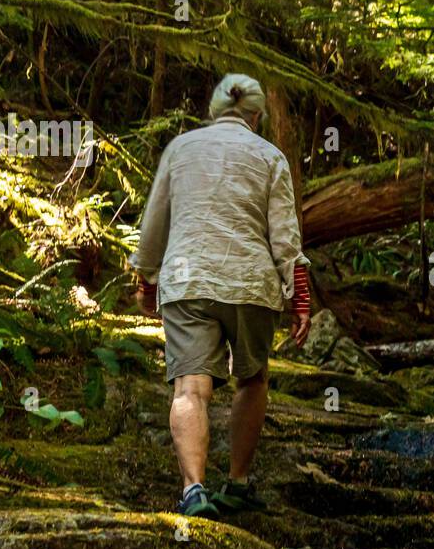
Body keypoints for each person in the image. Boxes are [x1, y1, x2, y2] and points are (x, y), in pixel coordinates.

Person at [129, 73, 311, 518]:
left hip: (188, 279)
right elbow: (285, 236)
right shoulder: (271, 157)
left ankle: (194, 490)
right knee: (252, 380)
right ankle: (237, 484)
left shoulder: (180, 149)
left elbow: (155, 222)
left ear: (213, 111)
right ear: (256, 116)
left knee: (190, 386)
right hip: (251, 283)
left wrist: (147, 280)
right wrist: (299, 295)